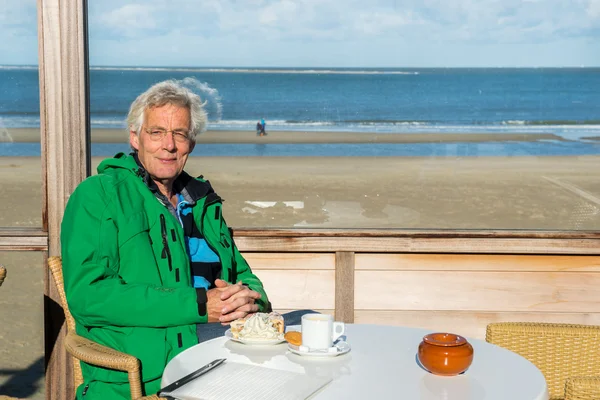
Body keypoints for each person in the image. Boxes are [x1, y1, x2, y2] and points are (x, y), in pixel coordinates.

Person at [61, 80, 308, 399]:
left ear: (191, 142)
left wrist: (249, 299)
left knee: (310, 322)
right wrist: (201, 304)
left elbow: (243, 276)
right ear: (135, 138)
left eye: (179, 133)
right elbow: (88, 296)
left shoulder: (202, 200)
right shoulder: (100, 195)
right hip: (155, 361)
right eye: (157, 132)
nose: (169, 145)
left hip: (224, 343)